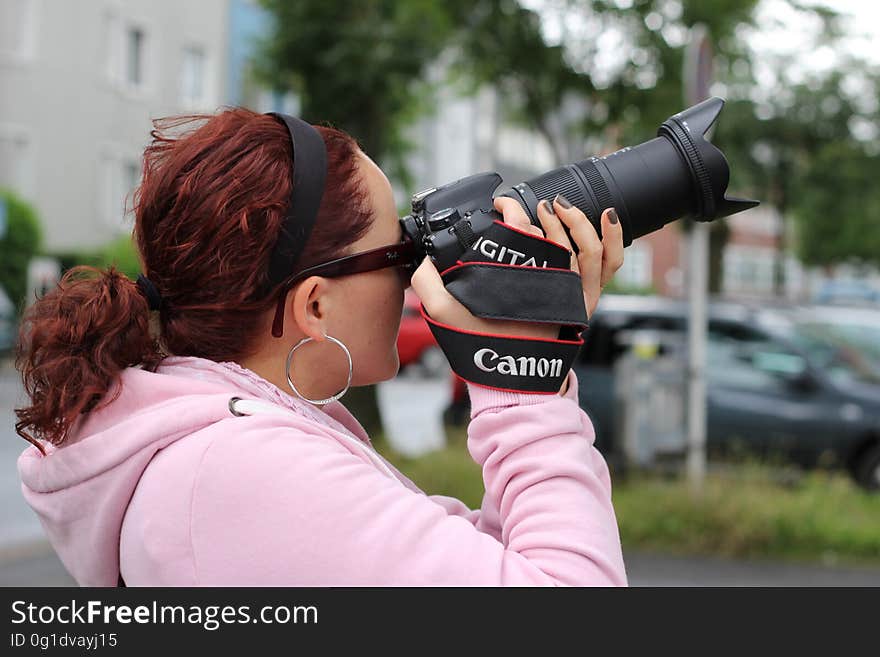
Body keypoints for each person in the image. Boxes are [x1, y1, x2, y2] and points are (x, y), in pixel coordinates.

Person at [14, 108, 627, 586]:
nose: (419, 275)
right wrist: (524, 390)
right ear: (315, 305)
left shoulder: (232, 446)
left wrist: (536, 343)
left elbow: (491, 566)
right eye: (401, 254)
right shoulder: (237, 470)